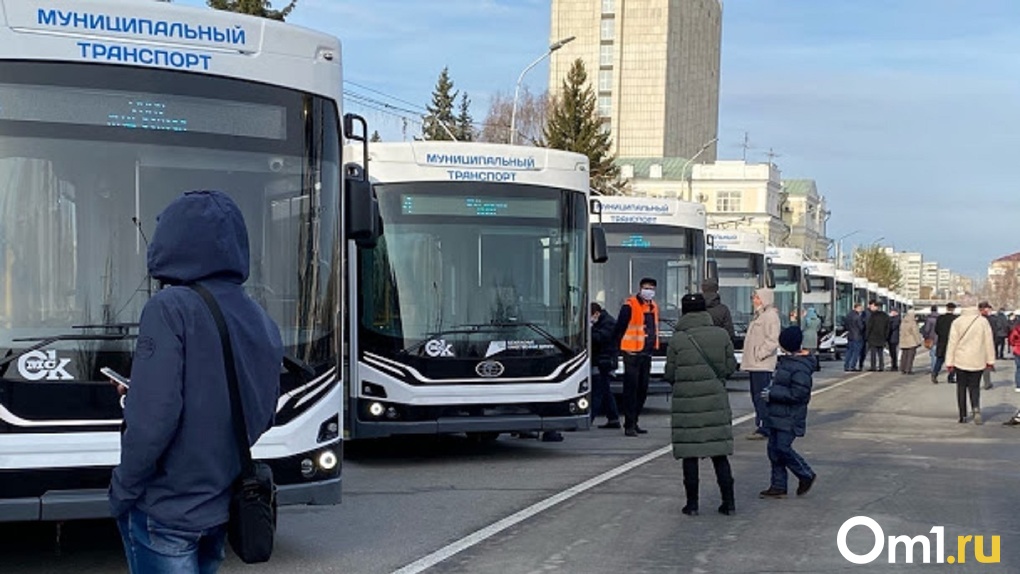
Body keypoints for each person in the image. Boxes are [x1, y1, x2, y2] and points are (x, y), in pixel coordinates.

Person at [109, 191, 283, 574]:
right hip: (220, 504)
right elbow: (263, 410)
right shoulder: (258, 316)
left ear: (171, 241)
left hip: (166, 506)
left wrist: (122, 488)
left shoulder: (168, 308)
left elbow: (153, 419)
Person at [663, 293, 738, 516]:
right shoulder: (721, 334)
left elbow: (670, 372)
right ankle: (729, 503)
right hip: (715, 400)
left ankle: (692, 504)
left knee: (690, 455)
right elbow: (730, 367)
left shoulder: (678, 338)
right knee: (719, 454)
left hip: (686, 404)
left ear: (683, 312)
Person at [758, 326, 817, 499]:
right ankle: (778, 485)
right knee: (773, 450)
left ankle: (805, 473)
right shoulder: (788, 362)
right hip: (778, 413)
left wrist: (773, 393)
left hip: (790, 415)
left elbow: (799, 393)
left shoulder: (799, 367)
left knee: (782, 448)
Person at [611, 277, 660, 437]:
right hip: (631, 353)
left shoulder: (653, 306)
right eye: (646, 287)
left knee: (642, 389)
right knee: (631, 390)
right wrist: (618, 348)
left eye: (651, 288)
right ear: (640, 288)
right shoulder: (630, 305)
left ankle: (635, 421)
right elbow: (620, 327)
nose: (649, 291)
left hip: (646, 353)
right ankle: (629, 424)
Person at [741, 288, 780, 440]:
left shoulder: (770, 316)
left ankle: (765, 427)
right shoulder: (759, 315)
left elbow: (773, 339)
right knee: (756, 395)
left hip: (762, 364)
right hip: (755, 364)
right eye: (753, 297)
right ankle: (762, 423)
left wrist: (760, 354)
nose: (754, 300)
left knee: (761, 396)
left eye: (756, 297)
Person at [946, 306, 995, 425]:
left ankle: (962, 415)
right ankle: (976, 408)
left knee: (961, 387)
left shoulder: (957, 322)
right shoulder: (983, 321)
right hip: (977, 359)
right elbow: (988, 341)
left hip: (960, 359)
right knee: (975, 387)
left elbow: (952, 343)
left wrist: (949, 362)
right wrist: (990, 360)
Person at [590, 302, 621, 429]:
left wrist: (588, 330)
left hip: (605, 361)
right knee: (605, 390)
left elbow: (601, 338)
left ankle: (589, 418)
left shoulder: (608, 323)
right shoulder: (602, 321)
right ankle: (613, 418)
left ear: (596, 313)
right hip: (601, 360)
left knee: (598, 390)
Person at [934, 303, 958, 383]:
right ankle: (951, 377)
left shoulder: (940, 318)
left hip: (941, 342)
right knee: (953, 361)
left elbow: (936, 330)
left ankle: (935, 374)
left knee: (939, 360)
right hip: (952, 342)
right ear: (954, 309)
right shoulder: (956, 319)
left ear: (946, 308)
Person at [865, 301, 890, 372]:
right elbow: (888, 327)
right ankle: (881, 366)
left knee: (873, 353)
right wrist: (886, 336)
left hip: (873, 336)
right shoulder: (885, 316)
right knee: (880, 353)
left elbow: (869, 326)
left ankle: (873, 366)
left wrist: (867, 336)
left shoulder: (873, 316)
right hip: (882, 336)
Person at [978, 302, 997, 390]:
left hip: (976, 344)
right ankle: (987, 383)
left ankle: (980, 382)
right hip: (985, 344)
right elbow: (993, 332)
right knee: (985, 365)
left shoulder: (976, 319)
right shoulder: (989, 319)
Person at [898, 310, 923, 374]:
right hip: (911, 341)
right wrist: (918, 341)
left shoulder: (903, 322)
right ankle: (908, 369)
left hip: (903, 341)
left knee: (904, 355)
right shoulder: (912, 322)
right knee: (910, 356)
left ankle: (902, 368)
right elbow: (915, 333)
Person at [843, 303, 865, 372]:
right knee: (856, 352)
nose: (861, 310)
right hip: (857, 336)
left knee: (849, 351)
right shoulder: (857, 317)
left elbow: (845, 325)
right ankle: (852, 366)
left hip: (850, 335)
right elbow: (861, 327)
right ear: (857, 308)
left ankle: (846, 366)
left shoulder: (848, 315)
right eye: (860, 308)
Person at [922, 305, 940, 382]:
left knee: (933, 355)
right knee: (937, 355)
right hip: (939, 338)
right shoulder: (940, 318)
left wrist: (925, 336)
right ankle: (935, 369)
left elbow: (927, 329)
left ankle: (933, 370)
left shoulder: (929, 319)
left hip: (931, 338)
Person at [1010, 320, 1020, 393]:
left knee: (1018, 368)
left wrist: (1015, 344)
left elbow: (1011, 340)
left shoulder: (1016, 329)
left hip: (1017, 350)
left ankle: (1018, 385)